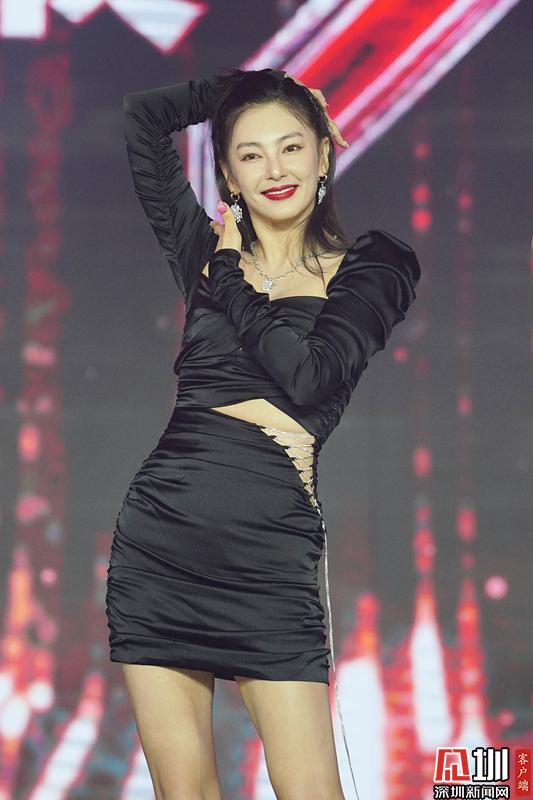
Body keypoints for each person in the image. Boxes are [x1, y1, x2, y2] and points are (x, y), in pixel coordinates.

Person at [105, 67, 421, 800]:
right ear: (228, 175)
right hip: (160, 541)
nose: (274, 169)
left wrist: (228, 277)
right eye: (251, 154)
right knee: (184, 791)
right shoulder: (203, 253)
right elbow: (142, 116)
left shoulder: (371, 265)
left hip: (268, 548)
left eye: (291, 146)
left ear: (324, 153)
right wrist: (258, 83)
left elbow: (309, 378)